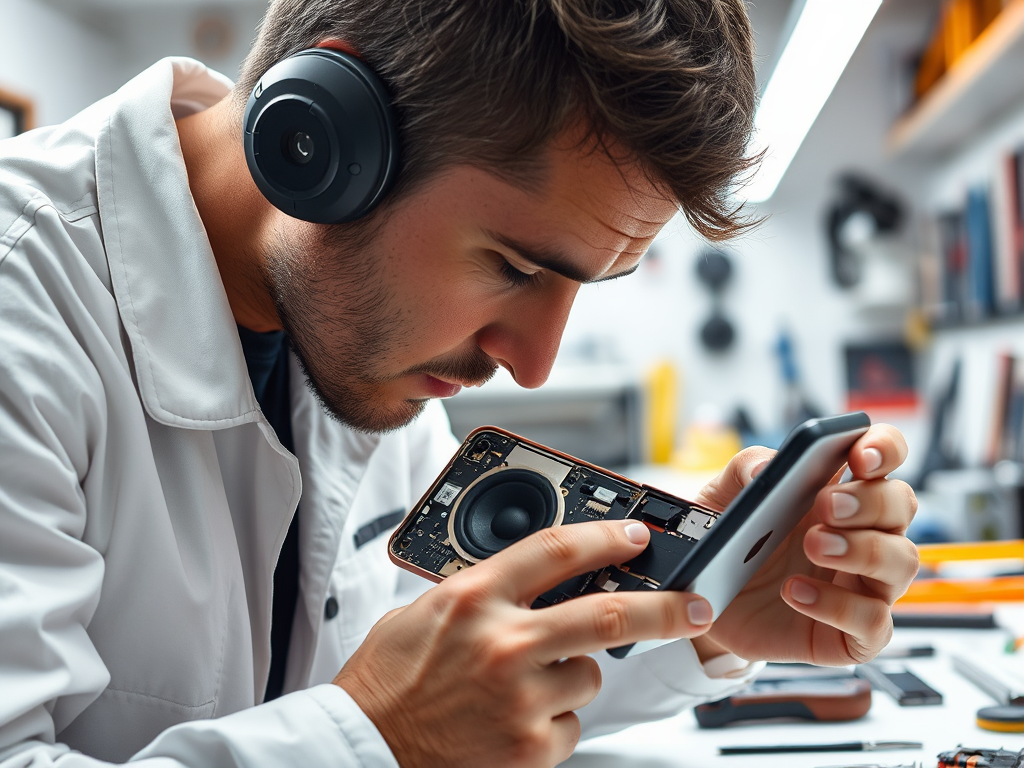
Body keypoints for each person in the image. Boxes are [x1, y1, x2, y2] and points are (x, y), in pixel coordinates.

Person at [0, 1, 919, 766]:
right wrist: (373, 740)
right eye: (517, 268)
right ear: (317, 140)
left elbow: (460, 690)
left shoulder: (363, 346)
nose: (532, 362)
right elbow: (394, 718)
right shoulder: (23, 304)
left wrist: (702, 610)